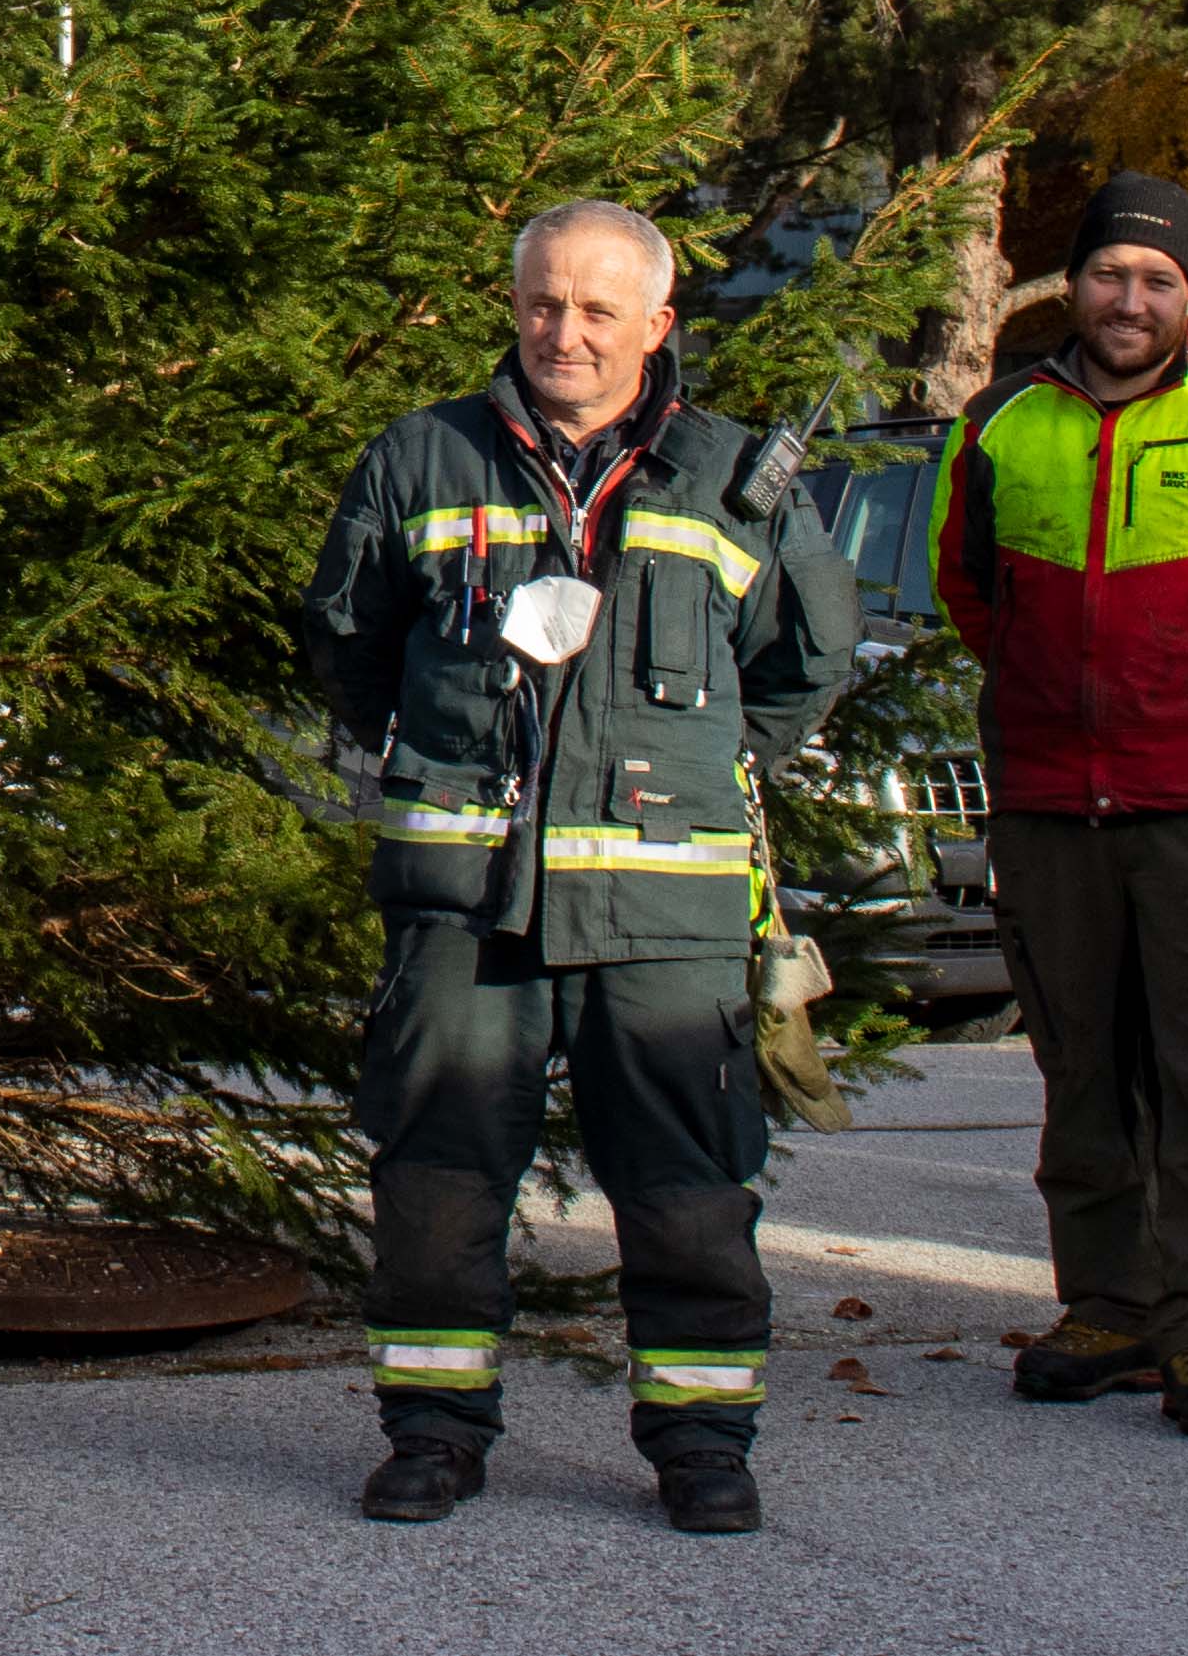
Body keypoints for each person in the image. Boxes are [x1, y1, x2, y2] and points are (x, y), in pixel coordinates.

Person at [300, 202, 857, 1536]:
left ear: (655, 324)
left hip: (665, 913)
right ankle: (432, 1434)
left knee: (688, 1187)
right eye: (544, 302)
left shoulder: (732, 478)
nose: (566, 331)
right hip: (464, 898)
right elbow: (348, 641)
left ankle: (702, 1445)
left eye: (599, 309)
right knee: (435, 1176)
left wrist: (690, 772)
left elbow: (805, 663)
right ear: (513, 306)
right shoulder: (420, 458)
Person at [927, 172, 1188, 1443]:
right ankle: (1106, 1308)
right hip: (1049, 800)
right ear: (1074, 286)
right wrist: (1050, 698)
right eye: (1110, 273)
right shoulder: (998, 424)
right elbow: (966, 587)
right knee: (1079, 1066)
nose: (1130, 299)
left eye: (1157, 280)